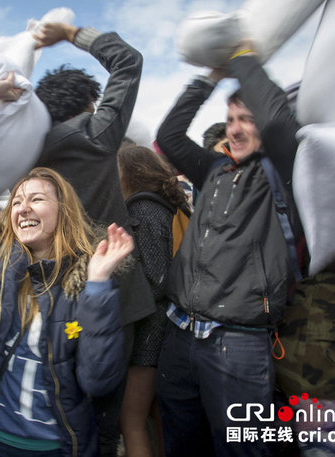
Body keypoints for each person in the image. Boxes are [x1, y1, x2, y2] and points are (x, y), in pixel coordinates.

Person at [0, 73, 130, 457]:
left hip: (53, 447)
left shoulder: (85, 280)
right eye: (18, 200)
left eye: (37, 199)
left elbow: (98, 380)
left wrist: (98, 286)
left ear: (64, 212)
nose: (23, 207)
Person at [155, 44, 301, 456]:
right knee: (182, 440)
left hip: (238, 343)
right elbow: (167, 137)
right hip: (180, 333)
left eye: (246, 120)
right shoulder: (215, 167)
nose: (235, 130)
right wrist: (208, 79)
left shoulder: (285, 170)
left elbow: (275, 121)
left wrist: (241, 57)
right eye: (230, 120)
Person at [33, 22, 155, 456]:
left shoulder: (29, 152)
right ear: (88, 103)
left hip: (53, 301)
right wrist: (71, 33)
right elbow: (129, 61)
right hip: (109, 301)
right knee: (103, 414)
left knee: (59, 398)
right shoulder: (94, 134)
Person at [117, 145, 190, 457]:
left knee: (131, 421)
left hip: (150, 330)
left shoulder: (142, 210)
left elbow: (157, 278)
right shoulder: (173, 207)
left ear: (130, 174)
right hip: (175, 327)